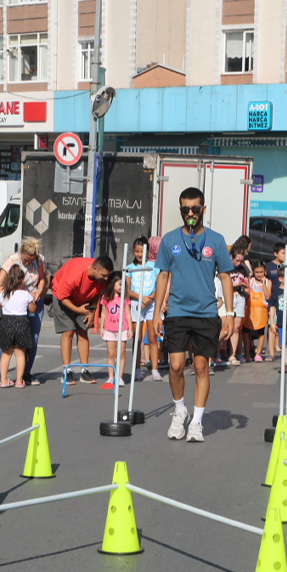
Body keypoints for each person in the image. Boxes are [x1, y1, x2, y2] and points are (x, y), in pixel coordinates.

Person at [153, 186, 235, 443]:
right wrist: (156, 312)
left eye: (195, 209)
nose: (190, 213)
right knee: (176, 366)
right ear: (181, 210)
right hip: (177, 311)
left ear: (203, 210)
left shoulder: (217, 240)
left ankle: (197, 422)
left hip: (206, 312)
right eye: (185, 209)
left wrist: (229, 313)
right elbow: (163, 275)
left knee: (201, 367)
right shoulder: (169, 240)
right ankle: (180, 412)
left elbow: (225, 276)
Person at [0, 236, 47, 385]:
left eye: (32, 260)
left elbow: (42, 278)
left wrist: (39, 291)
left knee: (32, 339)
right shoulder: (13, 260)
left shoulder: (39, 259)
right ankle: (1, 374)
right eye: (27, 259)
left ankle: (25, 373)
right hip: (14, 301)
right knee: (7, 342)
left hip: (32, 299)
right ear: (22, 252)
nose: (29, 263)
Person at [51, 255, 112, 385]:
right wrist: (78, 310)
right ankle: (66, 370)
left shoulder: (101, 279)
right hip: (63, 297)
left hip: (83, 299)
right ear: (94, 269)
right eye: (104, 275)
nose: (106, 279)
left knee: (83, 331)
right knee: (69, 332)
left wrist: (92, 310)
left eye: (108, 276)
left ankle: (85, 370)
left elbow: (97, 292)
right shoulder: (74, 275)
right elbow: (62, 297)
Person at [125, 236, 161, 380]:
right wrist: (141, 298)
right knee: (137, 337)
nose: (139, 254)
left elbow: (159, 287)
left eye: (142, 251)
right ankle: (137, 368)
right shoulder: (130, 268)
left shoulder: (154, 266)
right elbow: (127, 290)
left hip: (151, 303)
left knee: (153, 337)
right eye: (137, 251)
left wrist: (149, 299)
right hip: (136, 303)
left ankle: (155, 369)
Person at [0, 264, 35, 389]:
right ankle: (19, 381)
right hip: (21, 322)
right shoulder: (25, 294)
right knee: (20, 353)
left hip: (6, 321)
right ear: (22, 280)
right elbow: (33, 309)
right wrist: (32, 299)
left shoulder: (4, 293)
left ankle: (3, 380)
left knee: (6, 353)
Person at [96, 270, 130, 388]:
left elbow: (128, 313)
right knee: (111, 353)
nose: (122, 286)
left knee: (121, 354)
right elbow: (103, 313)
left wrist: (130, 328)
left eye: (123, 284)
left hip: (123, 329)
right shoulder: (106, 298)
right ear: (112, 283)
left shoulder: (125, 298)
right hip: (109, 329)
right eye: (120, 283)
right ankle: (111, 377)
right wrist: (101, 327)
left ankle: (120, 377)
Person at [226, 241, 252, 364]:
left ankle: (233, 354)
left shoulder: (242, 269)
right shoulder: (226, 268)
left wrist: (246, 288)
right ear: (232, 257)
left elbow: (247, 283)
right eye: (237, 260)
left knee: (237, 328)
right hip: (229, 297)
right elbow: (224, 284)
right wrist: (237, 284)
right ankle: (219, 353)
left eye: (241, 260)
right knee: (225, 327)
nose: (239, 263)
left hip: (240, 297)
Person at [242, 262, 271, 360]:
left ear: (265, 272)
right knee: (246, 332)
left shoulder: (268, 282)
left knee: (261, 333)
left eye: (261, 272)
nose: (259, 274)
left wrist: (264, 285)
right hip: (250, 310)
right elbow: (247, 294)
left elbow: (268, 296)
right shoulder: (251, 281)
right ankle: (247, 353)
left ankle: (258, 353)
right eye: (257, 272)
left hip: (261, 311)